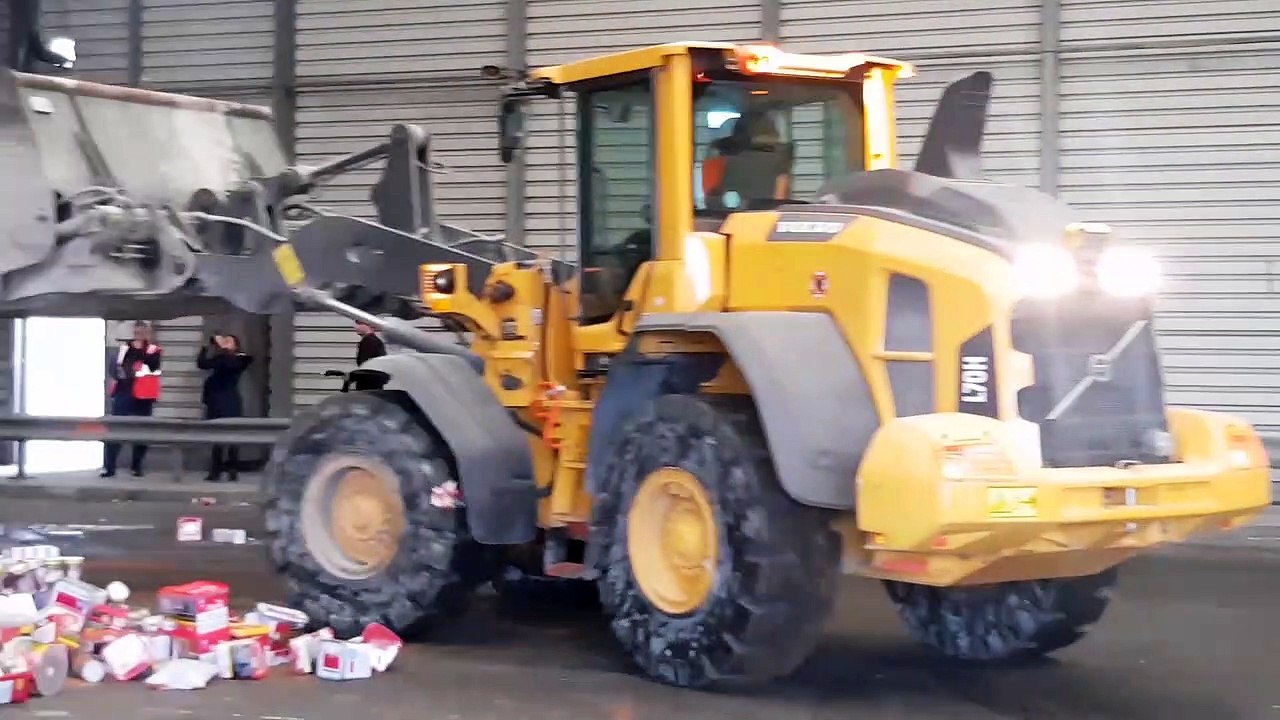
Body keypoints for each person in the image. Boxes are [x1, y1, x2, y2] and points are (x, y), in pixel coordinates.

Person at [102, 321, 162, 478]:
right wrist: (128, 371)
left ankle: (137, 466)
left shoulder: (153, 350)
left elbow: (153, 367)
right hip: (124, 394)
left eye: (143, 332)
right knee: (117, 431)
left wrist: (139, 361)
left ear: (148, 333)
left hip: (144, 396)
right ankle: (110, 467)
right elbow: (115, 369)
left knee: (142, 432)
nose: (139, 335)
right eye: (137, 332)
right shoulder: (124, 349)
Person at [197, 334, 252, 483]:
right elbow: (202, 364)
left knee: (233, 437)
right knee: (217, 437)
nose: (225, 343)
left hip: (230, 401)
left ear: (236, 345)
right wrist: (206, 347)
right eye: (224, 340)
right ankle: (215, 471)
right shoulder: (220, 358)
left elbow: (232, 365)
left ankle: (233, 469)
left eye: (229, 341)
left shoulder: (240, 358)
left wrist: (225, 349)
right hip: (215, 402)